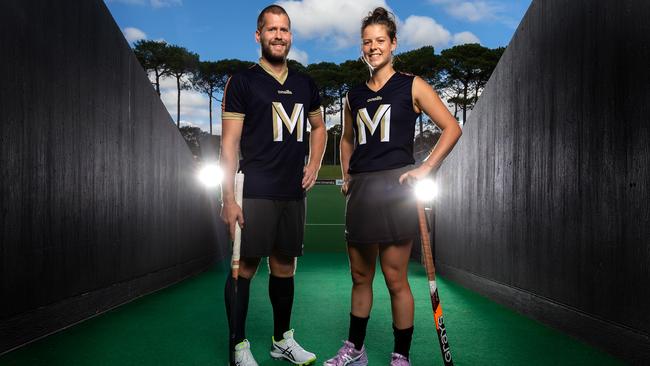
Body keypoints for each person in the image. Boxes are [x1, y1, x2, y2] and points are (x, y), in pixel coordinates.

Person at [323, 7, 462, 366]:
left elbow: (452, 127)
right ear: (362, 47)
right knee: (359, 276)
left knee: (395, 278)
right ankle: (355, 349)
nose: (373, 47)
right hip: (363, 192)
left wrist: (427, 167)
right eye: (367, 42)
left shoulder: (412, 85)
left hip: (398, 188)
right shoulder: (353, 95)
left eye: (380, 40)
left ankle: (401, 355)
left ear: (393, 43)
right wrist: (348, 175)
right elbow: (347, 139)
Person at [220, 4, 327, 366]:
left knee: (284, 266)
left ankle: (281, 340)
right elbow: (229, 145)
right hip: (253, 190)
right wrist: (228, 198)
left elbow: (319, 127)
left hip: (292, 192)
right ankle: (238, 345)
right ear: (258, 35)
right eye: (271, 29)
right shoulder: (243, 81)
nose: (278, 36)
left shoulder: (305, 83)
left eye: (284, 30)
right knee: (244, 267)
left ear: (290, 36)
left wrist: (313, 163)